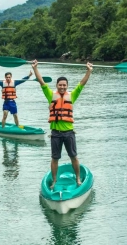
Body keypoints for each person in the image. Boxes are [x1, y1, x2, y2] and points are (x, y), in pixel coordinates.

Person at [31, 59, 93, 190]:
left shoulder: (72, 95)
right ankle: (54, 181)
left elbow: (82, 84)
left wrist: (88, 71)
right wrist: (35, 68)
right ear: (57, 85)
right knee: (54, 158)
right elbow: (41, 82)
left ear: (67, 86)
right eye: (60, 85)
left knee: (73, 157)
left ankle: (77, 178)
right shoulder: (50, 95)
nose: (62, 87)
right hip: (55, 134)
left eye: (64, 85)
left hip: (69, 133)